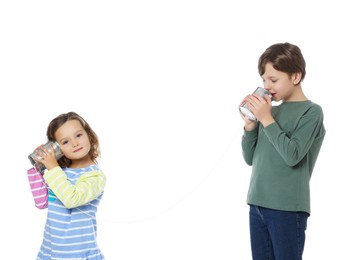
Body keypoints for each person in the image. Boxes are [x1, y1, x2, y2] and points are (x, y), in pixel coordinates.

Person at [239, 42, 326, 260]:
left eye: (274, 80)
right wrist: (250, 126)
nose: (267, 86)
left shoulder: (311, 112)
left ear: (295, 77)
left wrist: (266, 118)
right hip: (257, 203)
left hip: (287, 208)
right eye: (264, 80)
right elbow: (250, 158)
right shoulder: (269, 112)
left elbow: (293, 155)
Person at [28, 111, 106, 260]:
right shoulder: (59, 172)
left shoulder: (95, 176)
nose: (75, 143)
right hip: (50, 251)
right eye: (65, 142)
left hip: (78, 254)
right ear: (56, 148)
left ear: (89, 135)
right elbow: (41, 202)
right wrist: (40, 166)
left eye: (78, 135)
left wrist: (53, 168)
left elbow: (71, 199)